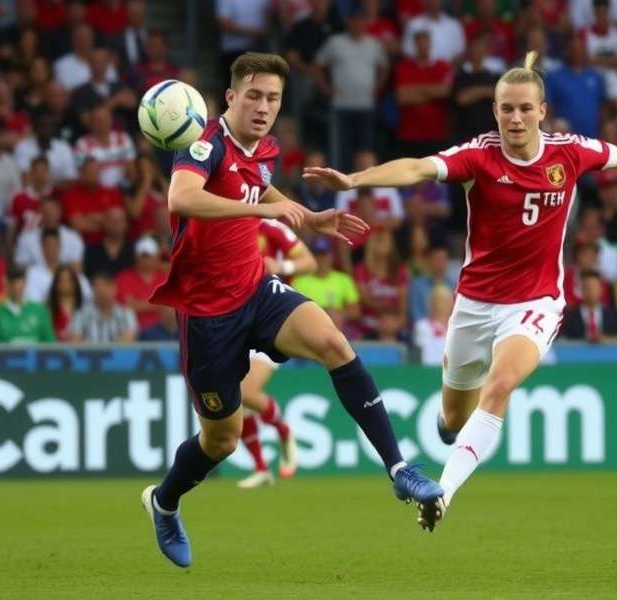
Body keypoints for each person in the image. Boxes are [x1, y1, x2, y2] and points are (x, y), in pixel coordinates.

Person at [305, 51, 617, 531]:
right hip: (473, 305)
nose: (515, 117)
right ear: (495, 112)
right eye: (506, 108)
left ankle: (443, 493)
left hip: (535, 303)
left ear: (542, 111)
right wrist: (355, 179)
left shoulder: (569, 152)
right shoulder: (479, 156)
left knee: (502, 384)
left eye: (524, 108)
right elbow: (417, 169)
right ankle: (451, 430)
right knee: (451, 419)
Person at [139, 52, 443, 569]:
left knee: (334, 343)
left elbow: (258, 182)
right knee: (222, 441)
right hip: (207, 314)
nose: (263, 107)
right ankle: (164, 501)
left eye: (273, 98)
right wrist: (266, 209)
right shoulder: (203, 145)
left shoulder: (265, 150)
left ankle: (399, 469)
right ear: (230, 97)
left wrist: (308, 219)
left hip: (256, 289)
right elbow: (183, 198)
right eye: (253, 95)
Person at [237, 218, 318, 489]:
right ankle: (261, 468)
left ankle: (283, 430)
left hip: (272, 321)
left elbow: (309, 262)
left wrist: (282, 266)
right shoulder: (226, 226)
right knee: (237, 402)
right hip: (237, 323)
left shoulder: (268, 226)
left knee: (246, 392)